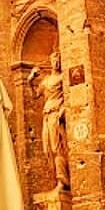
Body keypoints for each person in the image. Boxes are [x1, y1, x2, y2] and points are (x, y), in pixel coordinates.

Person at [33, 51, 69, 190]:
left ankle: (62, 181)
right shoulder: (46, 80)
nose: (56, 62)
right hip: (47, 115)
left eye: (58, 60)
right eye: (54, 60)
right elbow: (35, 94)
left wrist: (63, 109)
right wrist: (30, 79)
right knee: (47, 149)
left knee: (57, 148)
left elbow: (68, 95)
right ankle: (57, 178)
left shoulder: (62, 77)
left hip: (55, 113)